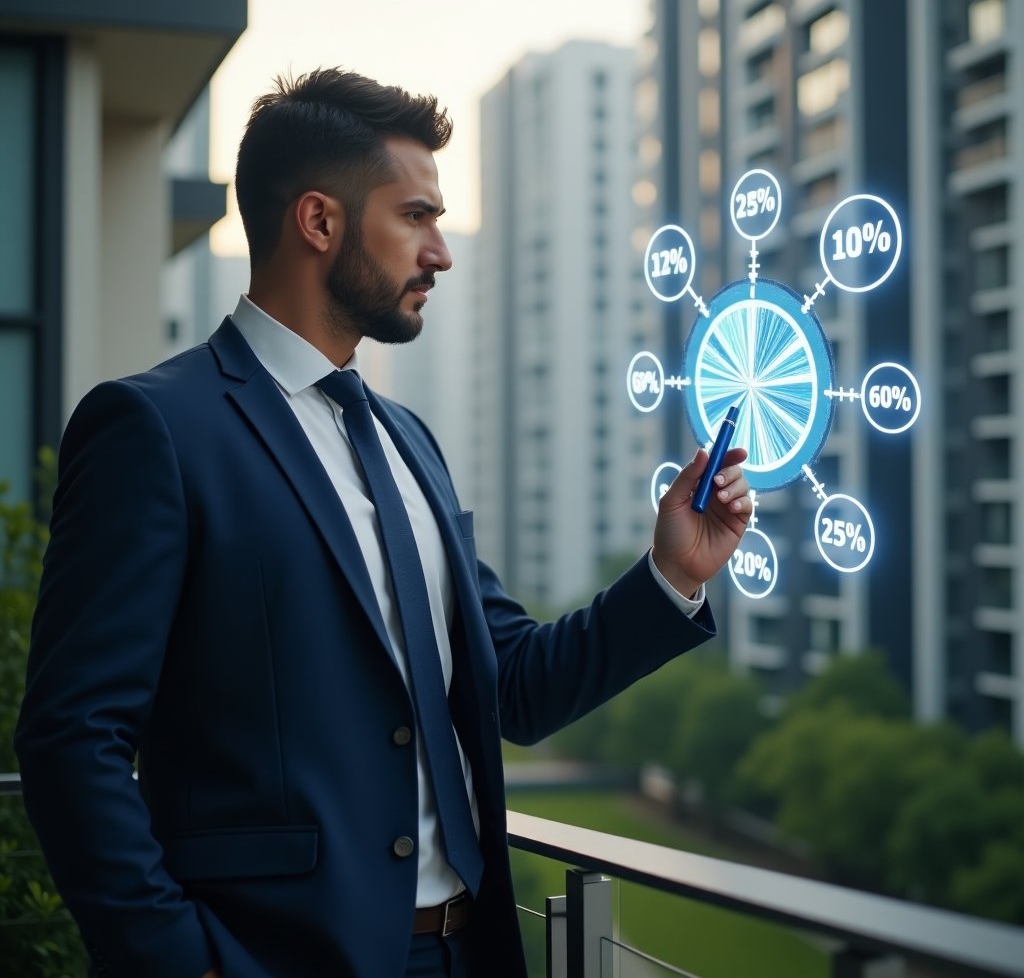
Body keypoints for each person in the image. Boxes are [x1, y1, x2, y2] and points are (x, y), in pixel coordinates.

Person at [15, 68, 751, 978]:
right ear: (319, 222)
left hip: (463, 954)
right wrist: (178, 961)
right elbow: (71, 735)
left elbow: (511, 684)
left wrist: (671, 575)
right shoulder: (154, 429)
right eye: (415, 217)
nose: (439, 252)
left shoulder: (410, 444)